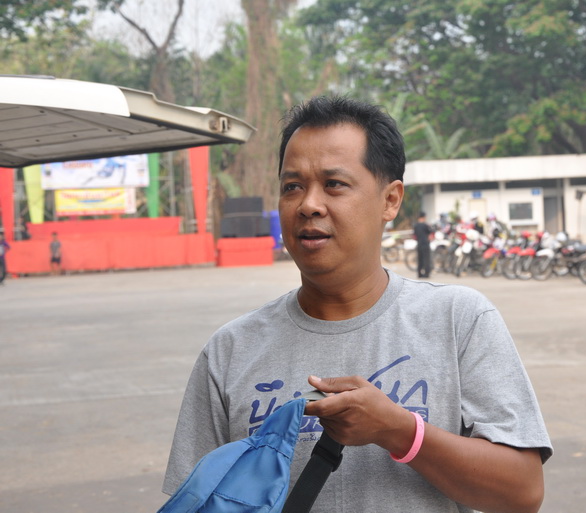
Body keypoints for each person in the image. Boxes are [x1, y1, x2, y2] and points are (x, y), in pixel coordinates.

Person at [163, 96, 552, 512]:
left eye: (334, 184)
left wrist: (400, 431)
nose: (309, 204)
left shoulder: (458, 320)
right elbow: (196, 498)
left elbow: (522, 491)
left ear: (390, 200)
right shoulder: (230, 351)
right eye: (292, 187)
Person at [413, 211, 432, 279]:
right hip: (425, 244)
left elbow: (415, 235)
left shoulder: (415, 225)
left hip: (419, 244)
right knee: (426, 259)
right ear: (424, 217)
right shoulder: (425, 225)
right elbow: (430, 233)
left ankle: (419, 273)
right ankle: (426, 273)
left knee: (420, 259)